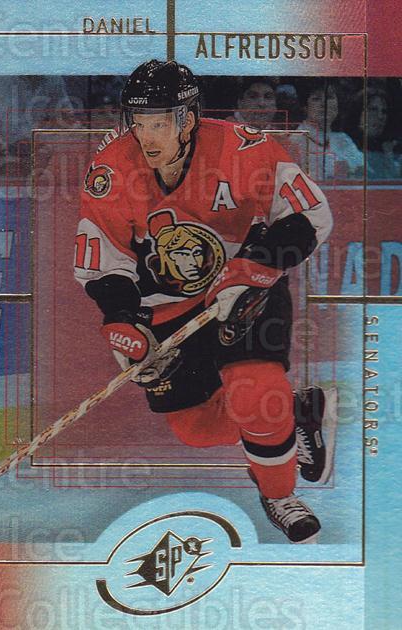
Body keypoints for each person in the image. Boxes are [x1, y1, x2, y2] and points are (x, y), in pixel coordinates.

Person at [74, 60, 334, 543]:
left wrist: (254, 269)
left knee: (254, 393)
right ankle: (294, 412)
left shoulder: (244, 148)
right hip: (167, 306)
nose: (145, 136)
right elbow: (105, 258)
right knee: (196, 429)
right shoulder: (111, 168)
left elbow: (310, 214)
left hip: (243, 284)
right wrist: (125, 321)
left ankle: (280, 494)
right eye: (138, 122)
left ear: (187, 119)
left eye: (158, 123)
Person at [293, 80, 363, 180]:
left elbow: (363, 174)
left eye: (329, 97)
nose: (324, 103)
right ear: (305, 107)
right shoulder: (295, 141)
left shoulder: (343, 139)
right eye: (316, 99)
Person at [344, 87, 400, 180]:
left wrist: (389, 156)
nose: (380, 116)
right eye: (373, 109)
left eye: (384, 111)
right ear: (358, 112)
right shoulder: (343, 146)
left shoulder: (390, 150)